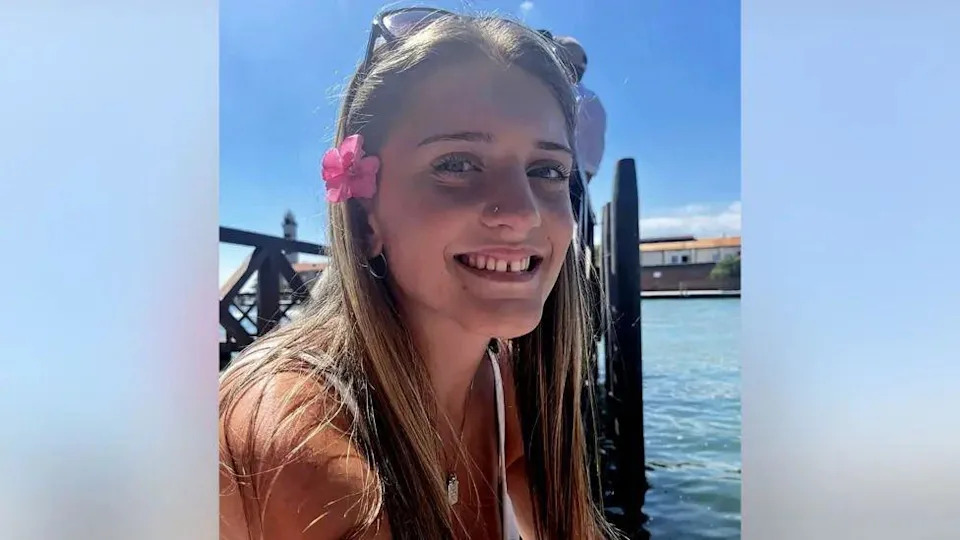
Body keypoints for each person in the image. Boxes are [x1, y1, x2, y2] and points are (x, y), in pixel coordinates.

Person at [219, 8, 617, 540]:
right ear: (364, 220)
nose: (522, 212)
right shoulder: (299, 443)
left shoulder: (499, 384)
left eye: (547, 170)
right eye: (457, 164)